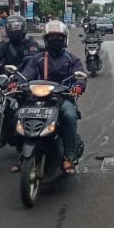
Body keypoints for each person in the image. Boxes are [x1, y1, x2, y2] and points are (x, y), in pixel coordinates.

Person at [20, 20, 86, 174]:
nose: (55, 39)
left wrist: (78, 86)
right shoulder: (37, 58)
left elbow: (80, 76)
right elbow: (26, 74)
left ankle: (69, 156)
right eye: (51, 36)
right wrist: (17, 83)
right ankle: (21, 154)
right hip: (38, 99)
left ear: (64, 39)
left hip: (62, 98)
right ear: (46, 39)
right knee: (19, 115)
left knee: (69, 116)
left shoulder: (71, 59)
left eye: (59, 36)